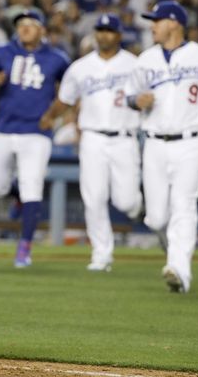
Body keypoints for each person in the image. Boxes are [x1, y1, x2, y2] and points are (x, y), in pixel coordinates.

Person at [40, 14, 141, 271]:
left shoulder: (135, 65)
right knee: (93, 198)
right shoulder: (80, 67)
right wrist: (51, 116)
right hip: (92, 138)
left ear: (119, 35)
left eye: (109, 30)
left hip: (124, 138)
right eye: (100, 30)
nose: (104, 34)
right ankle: (101, 254)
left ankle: (135, 203)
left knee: (126, 202)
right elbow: (66, 99)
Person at [0, 9, 70, 268]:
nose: (24, 28)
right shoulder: (4, 51)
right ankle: (19, 194)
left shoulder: (57, 58)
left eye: (31, 24)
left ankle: (24, 246)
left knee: (32, 185)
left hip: (37, 131)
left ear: (43, 30)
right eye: (21, 24)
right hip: (4, 128)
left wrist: (57, 113)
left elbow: (71, 88)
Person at [125, 1, 198, 293]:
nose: (152, 26)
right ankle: (173, 254)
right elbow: (128, 95)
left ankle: (180, 271)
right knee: (157, 216)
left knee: (184, 205)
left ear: (174, 23)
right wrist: (136, 101)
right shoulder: (145, 60)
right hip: (154, 145)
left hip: (192, 141)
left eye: (157, 20)